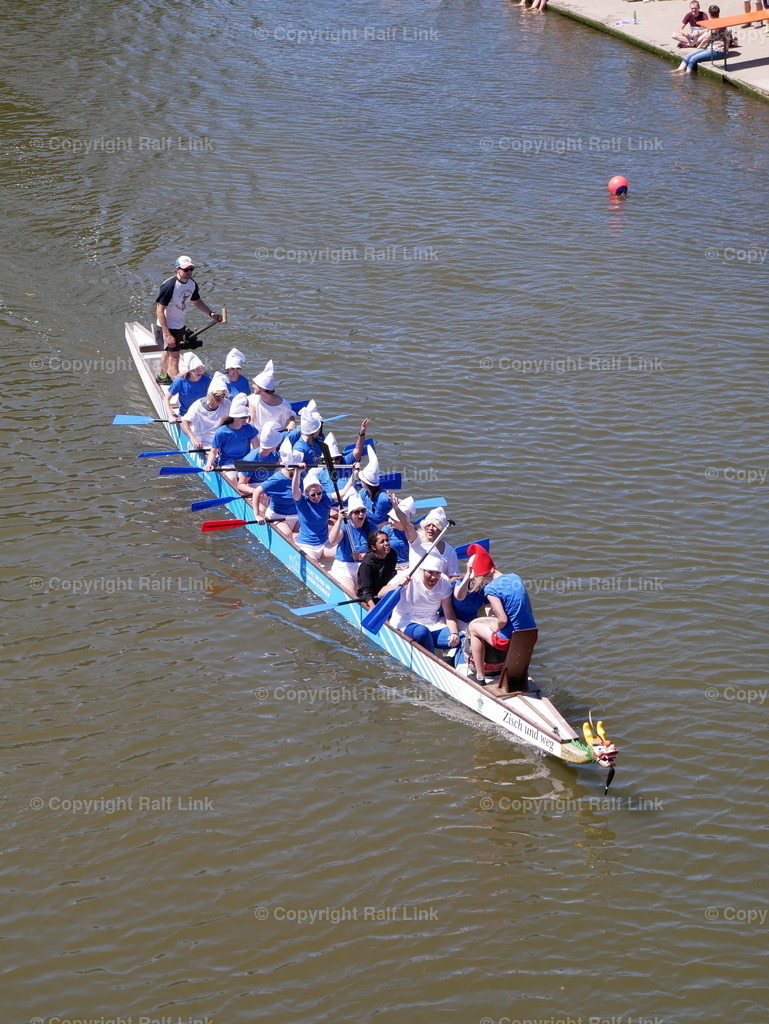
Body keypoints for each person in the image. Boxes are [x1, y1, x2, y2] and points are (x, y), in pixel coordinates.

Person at [467, 565, 538, 695]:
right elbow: (529, 609)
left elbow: (503, 620)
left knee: (474, 628)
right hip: (530, 636)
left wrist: (496, 626)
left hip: (506, 641)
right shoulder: (515, 577)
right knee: (513, 631)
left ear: (483, 576)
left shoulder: (491, 588)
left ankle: (480, 677)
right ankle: (516, 677)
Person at [154, 256, 223, 385]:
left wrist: (211, 314)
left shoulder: (192, 284)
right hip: (167, 325)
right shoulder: (169, 286)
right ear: (177, 269)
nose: (189, 272)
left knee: (168, 351)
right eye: (186, 269)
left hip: (180, 325)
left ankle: (162, 376)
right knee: (174, 357)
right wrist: (167, 334)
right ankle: (178, 385)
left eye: (191, 269)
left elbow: (197, 301)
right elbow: (159, 310)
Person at [380, 554, 461, 657]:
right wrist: (399, 585)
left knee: (462, 638)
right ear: (421, 570)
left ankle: (462, 670)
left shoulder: (444, 581)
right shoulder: (408, 575)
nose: (434, 577)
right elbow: (380, 594)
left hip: (432, 624)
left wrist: (454, 633)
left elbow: (449, 613)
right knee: (422, 632)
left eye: (437, 573)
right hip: (406, 622)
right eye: (430, 572)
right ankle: (433, 664)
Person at [390, 504, 460, 580]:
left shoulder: (450, 551)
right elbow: (407, 525)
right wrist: (396, 509)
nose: (430, 528)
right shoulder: (417, 540)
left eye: (435, 526)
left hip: (435, 584)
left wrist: (444, 586)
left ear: (441, 530)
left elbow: (454, 576)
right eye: (428, 525)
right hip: (414, 582)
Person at [204, 394, 259, 482]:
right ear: (235, 418)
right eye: (243, 417)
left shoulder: (249, 428)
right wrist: (208, 464)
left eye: (247, 417)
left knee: (246, 478)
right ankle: (242, 493)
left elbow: (257, 449)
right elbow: (214, 451)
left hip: (244, 462)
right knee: (231, 478)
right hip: (227, 463)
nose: (246, 419)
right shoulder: (222, 432)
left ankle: (245, 492)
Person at [250, 452, 304, 540]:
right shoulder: (276, 479)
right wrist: (257, 515)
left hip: (296, 515)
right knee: (287, 534)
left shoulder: (301, 476)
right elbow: (256, 491)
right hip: (277, 517)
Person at [328, 490, 373, 592]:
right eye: (357, 512)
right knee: (351, 591)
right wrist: (339, 520)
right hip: (344, 567)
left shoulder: (371, 527)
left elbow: (377, 550)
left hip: (364, 565)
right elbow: (332, 540)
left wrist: (363, 556)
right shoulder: (345, 526)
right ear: (351, 514)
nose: (361, 514)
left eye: (363, 511)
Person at [670, 6, 731, 72]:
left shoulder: (714, 25)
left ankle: (686, 74)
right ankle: (679, 70)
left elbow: (706, 38)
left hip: (718, 50)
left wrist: (698, 47)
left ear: (709, 14)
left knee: (693, 59)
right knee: (688, 56)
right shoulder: (719, 21)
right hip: (710, 47)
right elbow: (707, 32)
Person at [180, 373, 231, 451]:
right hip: (201, 442)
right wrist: (193, 438)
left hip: (218, 441)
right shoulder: (197, 406)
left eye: (223, 395)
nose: (220, 398)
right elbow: (184, 422)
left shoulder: (227, 404)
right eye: (217, 395)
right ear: (210, 394)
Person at [452, 544, 496, 630]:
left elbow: (488, 605)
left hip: (472, 620)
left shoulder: (483, 587)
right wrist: (468, 573)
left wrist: (492, 619)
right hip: (453, 620)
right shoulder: (458, 582)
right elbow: (460, 597)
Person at [235, 420, 284, 496]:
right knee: (262, 508)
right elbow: (241, 485)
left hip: (268, 487)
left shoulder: (275, 455)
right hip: (252, 487)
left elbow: (277, 471)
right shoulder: (250, 460)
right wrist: (255, 491)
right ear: (273, 445)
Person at [248, 360, 296, 432]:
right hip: (256, 435)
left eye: (255, 384)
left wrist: (292, 423)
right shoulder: (252, 399)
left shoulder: (283, 404)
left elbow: (290, 416)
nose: (252, 386)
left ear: (263, 388)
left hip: (275, 436)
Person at [163, 352, 212, 421]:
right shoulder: (180, 381)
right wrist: (170, 415)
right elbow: (166, 399)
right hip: (186, 415)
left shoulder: (207, 379)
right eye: (197, 369)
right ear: (190, 371)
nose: (200, 371)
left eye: (201, 368)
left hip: (203, 414)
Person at [356, 531, 398, 610]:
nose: (386, 543)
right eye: (382, 542)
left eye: (387, 540)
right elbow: (366, 590)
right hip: (371, 597)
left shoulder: (392, 554)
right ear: (374, 547)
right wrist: (372, 606)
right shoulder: (367, 564)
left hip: (386, 593)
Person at [358, 450, 393, 526]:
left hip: (383, 528)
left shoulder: (384, 498)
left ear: (367, 484)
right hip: (367, 525)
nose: (360, 481)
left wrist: (387, 523)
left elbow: (400, 505)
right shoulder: (363, 493)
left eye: (362, 480)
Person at [381, 495, 416, 568]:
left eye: (394, 519)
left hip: (409, 564)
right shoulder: (386, 530)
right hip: (391, 565)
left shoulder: (411, 532)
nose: (390, 521)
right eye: (389, 518)